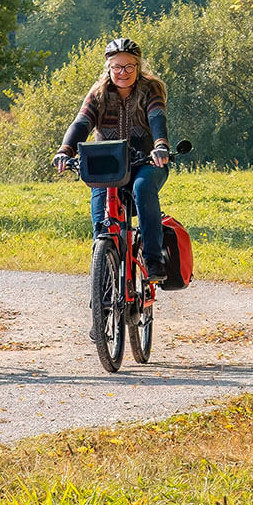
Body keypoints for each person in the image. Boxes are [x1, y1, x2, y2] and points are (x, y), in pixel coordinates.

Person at [53, 37, 173, 312]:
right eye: (117, 67)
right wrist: (65, 150)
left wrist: (161, 146)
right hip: (108, 167)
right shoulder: (98, 93)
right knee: (100, 229)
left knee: (143, 189)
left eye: (129, 66)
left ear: (138, 66)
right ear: (108, 68)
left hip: (146, 161)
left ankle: (154, 259)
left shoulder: (150, 88)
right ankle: (102, 303)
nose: (123, 72)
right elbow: (82, 122)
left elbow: (157, 117)